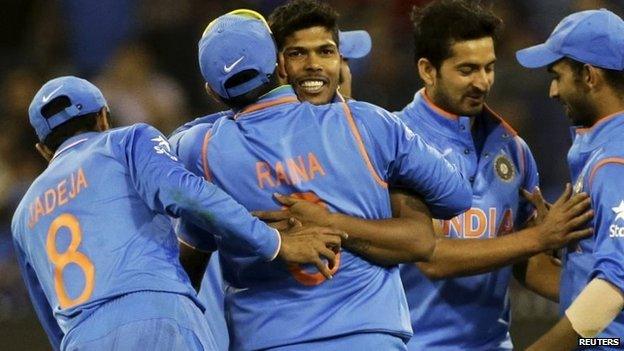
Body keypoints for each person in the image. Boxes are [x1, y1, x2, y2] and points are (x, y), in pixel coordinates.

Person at [260, 1, 593, 349]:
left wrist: (605, 295)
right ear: (427, 70)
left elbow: (526, 263)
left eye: (488, 68)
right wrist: (539, 239)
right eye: (467, 70)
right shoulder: (396, 142)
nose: (482, 82)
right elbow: (433, 258)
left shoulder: (513, 149)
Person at [171, 9, 474, 351]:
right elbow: (458, 197)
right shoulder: (368, 125)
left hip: (267, 341)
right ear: (282, 67)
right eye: (300, 53)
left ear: (212, 90)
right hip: (370, 337)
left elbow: (188, 266)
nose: (316, 65)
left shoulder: (200, 151)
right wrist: (392, 185)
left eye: (328, 52)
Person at [11, 76, 346, 351]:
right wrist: (274, 242)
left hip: (81, 337)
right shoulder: (124, 142)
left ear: (43, 149)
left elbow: (47, 312)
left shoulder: (23, 214)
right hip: (157, 315)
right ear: (103, 117)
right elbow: (188, 194)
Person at [516, 9, 624, 350]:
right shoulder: (601, 149)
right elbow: (591, 276)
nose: (552, 90)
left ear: (589, 76)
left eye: (557, 75)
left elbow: (613, 287)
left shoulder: (614, 161)